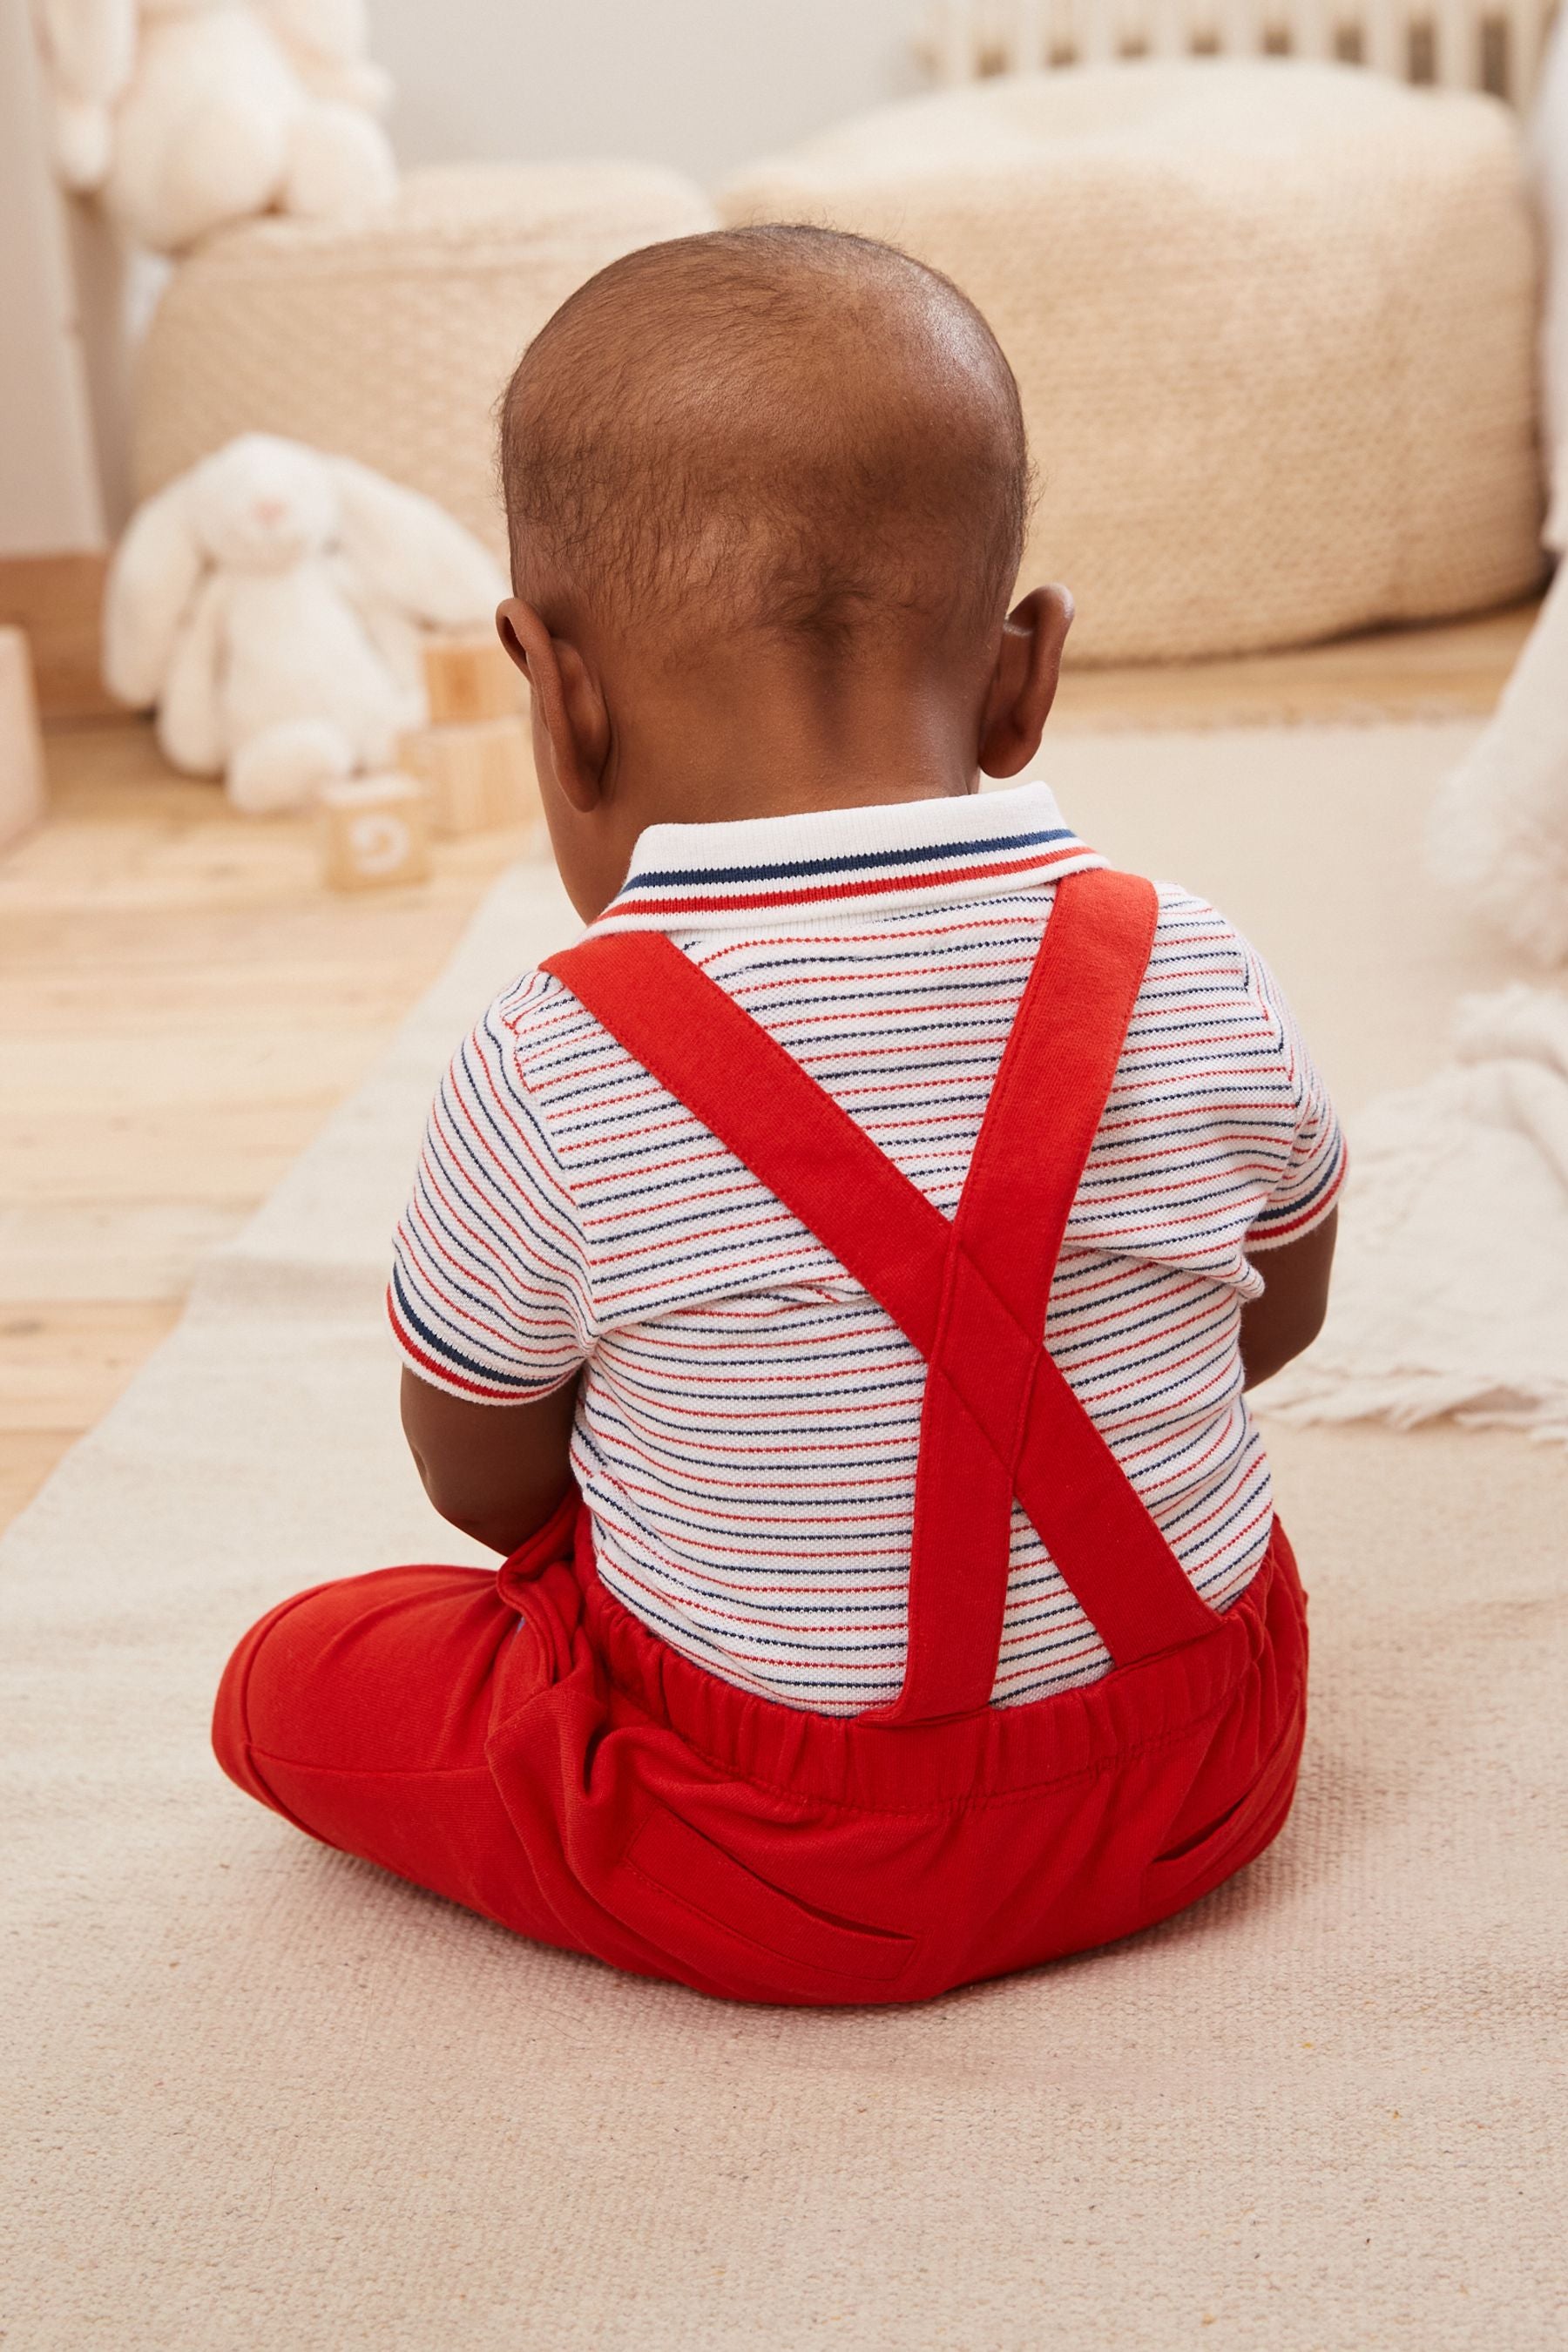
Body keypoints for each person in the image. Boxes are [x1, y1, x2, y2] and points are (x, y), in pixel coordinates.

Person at [213, 226, 1341, 2005]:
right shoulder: (1198, 963)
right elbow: (1277, 1311)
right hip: (1208, 1768)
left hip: (787, 1861)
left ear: (556, 695)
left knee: (287, 1681)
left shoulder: (550, 1056)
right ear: (1024, 673)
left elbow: (482, 1476)